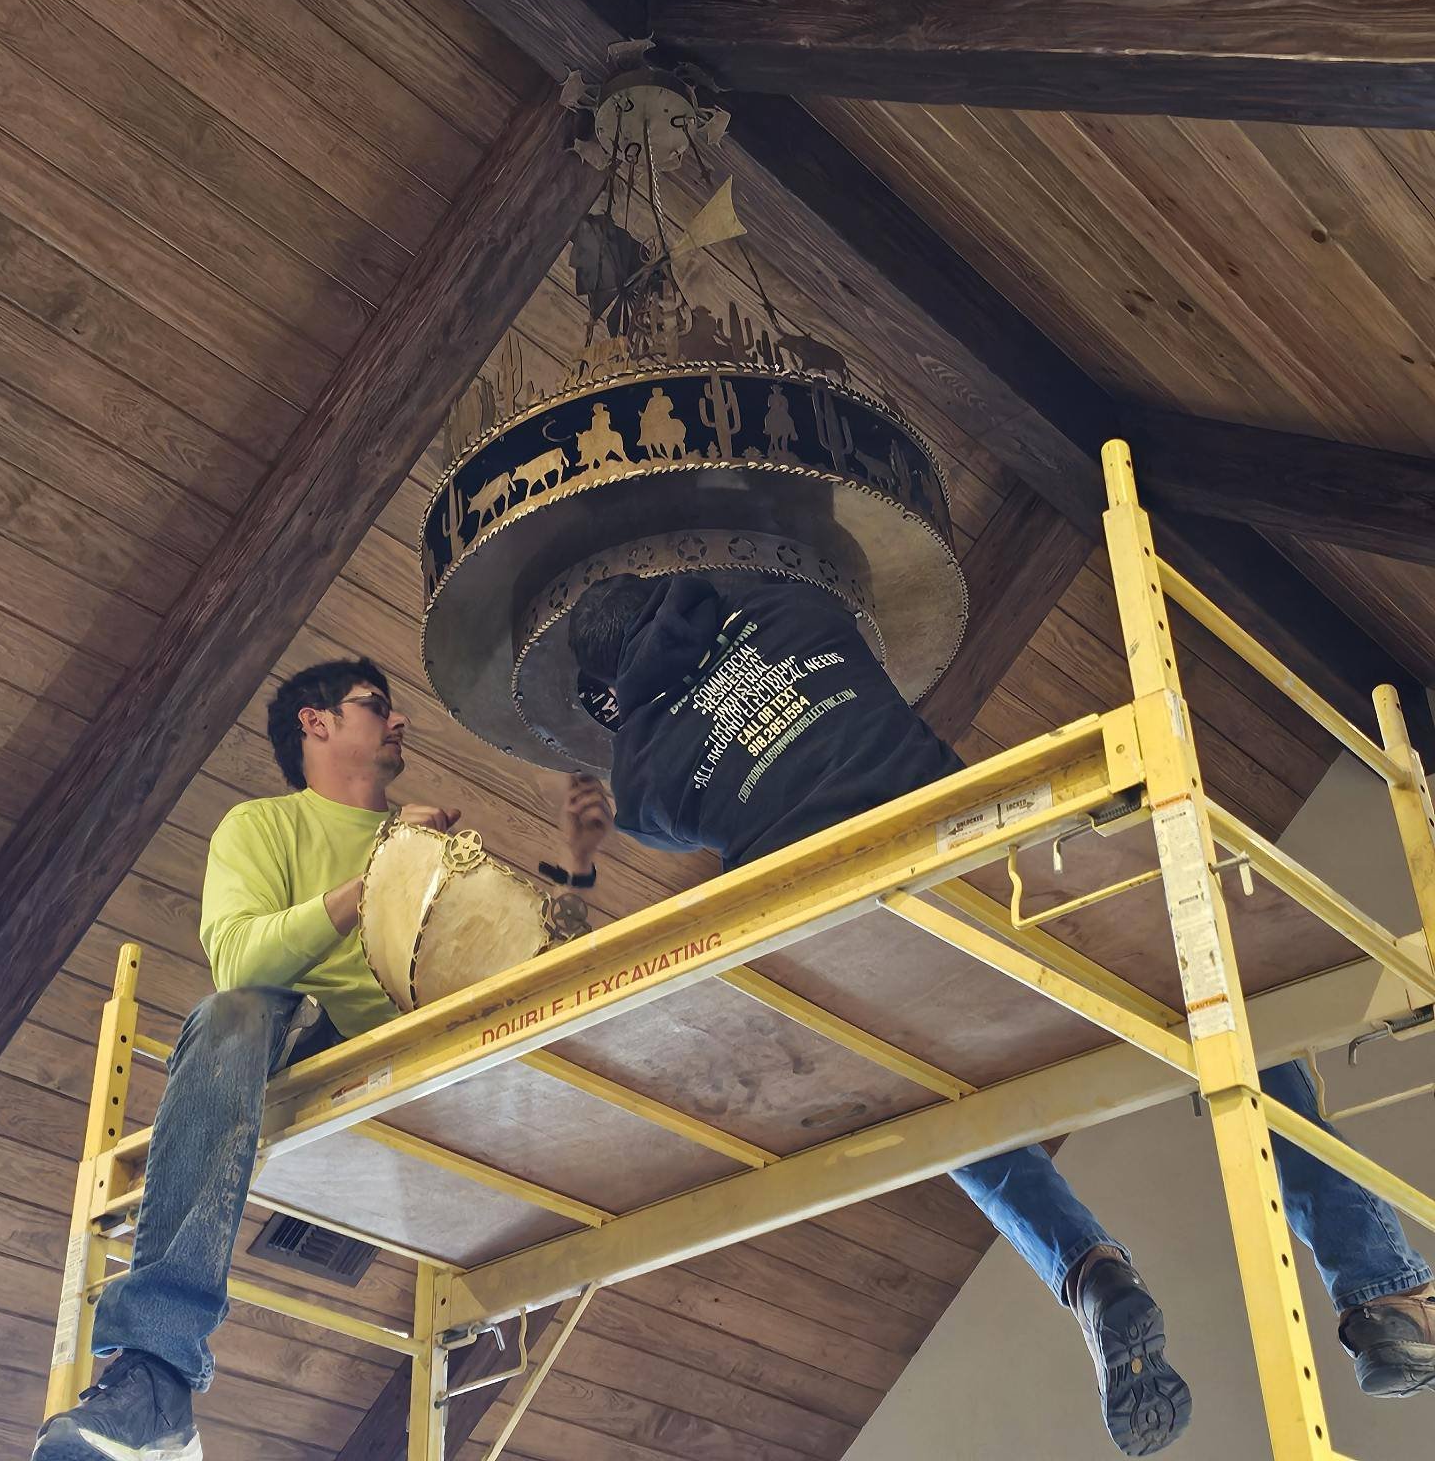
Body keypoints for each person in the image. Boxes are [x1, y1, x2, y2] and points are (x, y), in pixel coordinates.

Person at [560, 572, 1435, 1456]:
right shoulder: (793, 607)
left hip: (872, 955)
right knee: (1234, 1018)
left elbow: (675, 820)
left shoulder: (638, 780)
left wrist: (648, 715)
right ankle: (1381, 1294)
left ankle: (1091, 1274)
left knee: (949, 1120)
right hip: (999, 869)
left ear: (610, 694)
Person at [32, 657, 600, 1461]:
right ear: (316, 723)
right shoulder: (262, 828)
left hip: (429, 1049)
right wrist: (372, 880)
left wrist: (439, 878)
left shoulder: (427, 842)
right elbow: (236, 961)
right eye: (378, 707)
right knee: (234, 1014)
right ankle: (155, 1382)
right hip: (321, 1055)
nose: (399, 721)